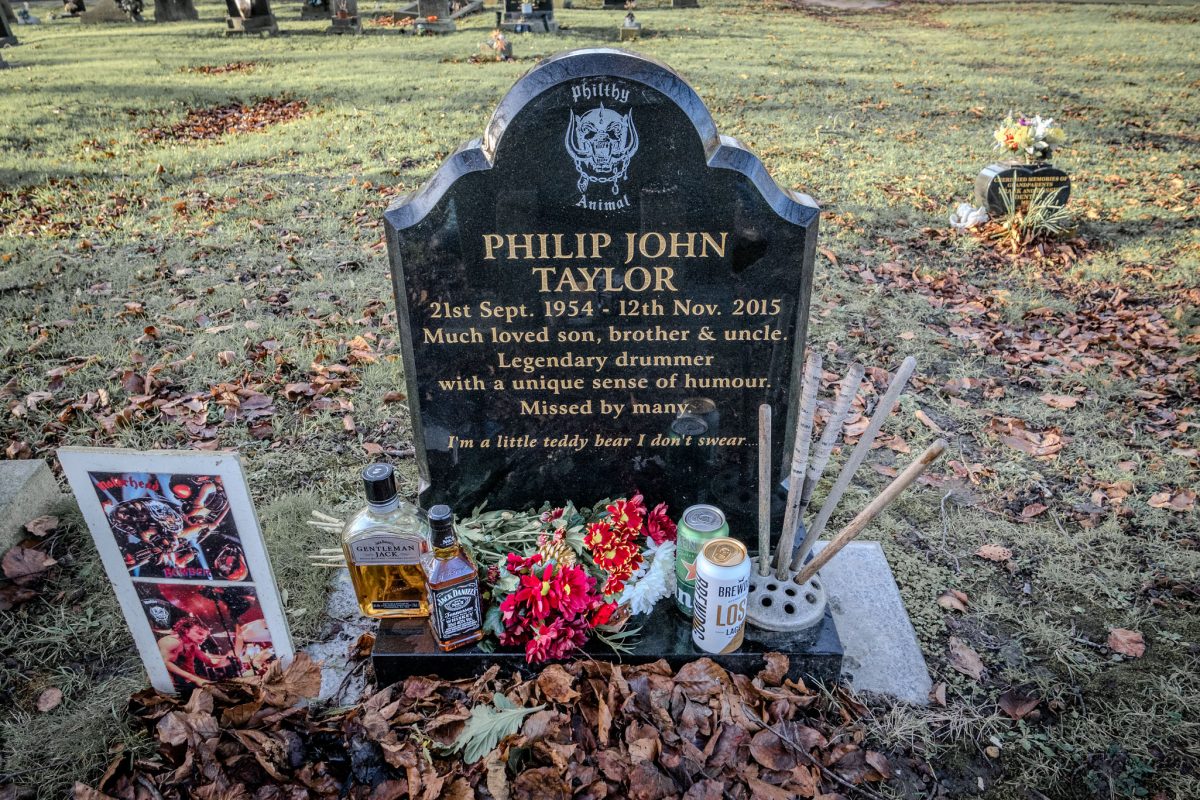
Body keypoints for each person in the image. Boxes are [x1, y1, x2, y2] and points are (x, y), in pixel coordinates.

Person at [158, 618, 230, 690]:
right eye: (199, 633)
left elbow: (209, 662)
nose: (203, 638)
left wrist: (226, 661)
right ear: (186, 630)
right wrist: (196, 679)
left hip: (187, 683)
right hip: (172, 687)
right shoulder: (172, 642)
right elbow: (165, 663)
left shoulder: (192, 645)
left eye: (205, 636)